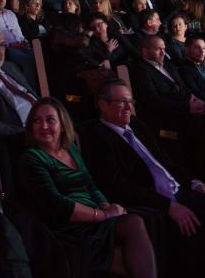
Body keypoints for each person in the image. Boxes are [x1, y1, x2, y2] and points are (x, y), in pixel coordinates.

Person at [79, 79, 205, 278]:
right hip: (157, 200)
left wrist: (196, 183)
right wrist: (168, 206)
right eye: (121, 102)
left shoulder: (137, 125)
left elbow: (168, 162)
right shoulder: (95, 135)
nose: (128, 107)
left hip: (179, 191)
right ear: (102, 104)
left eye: (130, 101)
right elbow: (120, 186)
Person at [18, 98, 156, 278]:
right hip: (68, 226)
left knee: (129, 254)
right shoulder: (31, 158)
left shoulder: (70, 149)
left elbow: (90, 185)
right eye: (37, 121)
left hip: (93, 218)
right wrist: (104, 215)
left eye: (50, 120)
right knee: (133, 223)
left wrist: (106, 205)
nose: (43, 126)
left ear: (62, 124)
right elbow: (56, 205)